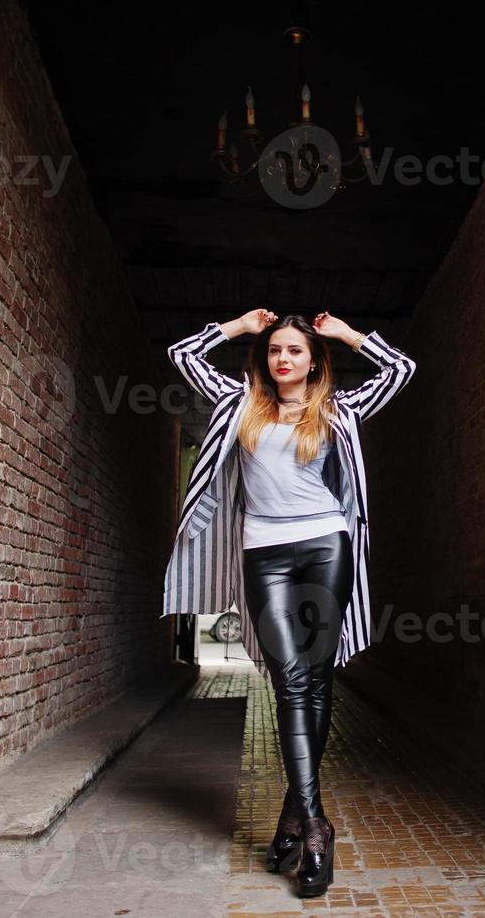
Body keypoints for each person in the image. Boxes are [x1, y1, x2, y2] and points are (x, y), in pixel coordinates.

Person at [162, 308, 416, 897]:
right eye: (276, 349)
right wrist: (236, 327)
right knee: (290, 677)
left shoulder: (339, 410)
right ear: (264, 357)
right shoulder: (237, 404)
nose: (284, 359)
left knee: (315, 678)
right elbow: (181, 355)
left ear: (313, 360)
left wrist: (350, 335)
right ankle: (313, 822)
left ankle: (299, 825)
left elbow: (402, 369)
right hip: (264, 553)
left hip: (326, 546)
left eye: (296, 351)